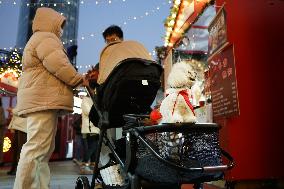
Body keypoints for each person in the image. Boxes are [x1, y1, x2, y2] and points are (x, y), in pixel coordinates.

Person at [13, 7, 87, 189]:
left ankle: (39, 186)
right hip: (42, 101)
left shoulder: (39, 39)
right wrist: (78, 79)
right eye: (59, 25)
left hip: (41, 100)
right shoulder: (46, 38)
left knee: (42, 150)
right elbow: (58, 64)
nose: (61, 29)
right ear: (51, 22)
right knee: (37, 149)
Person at [80, 96, 100, 174]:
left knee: (95, 148)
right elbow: (88, 111)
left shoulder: (94, 99)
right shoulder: (86, 99)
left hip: (95, 128)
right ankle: (83, 164)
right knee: (92, 147)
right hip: (90, 128)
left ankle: (93, 165)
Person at [6, 108, 27, 175]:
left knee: (20, 150)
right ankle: (14, 168)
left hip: (23, 127)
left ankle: (20, 170)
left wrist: (12, 110)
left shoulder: (25, 98)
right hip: (18, 126)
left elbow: (24, 111)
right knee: (15, 149)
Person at [0, 98, 6, 167]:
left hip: (1, 130)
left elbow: (2, 121)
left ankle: (1, 161)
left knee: (1, 145)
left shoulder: (1, 108)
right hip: (1, 129)